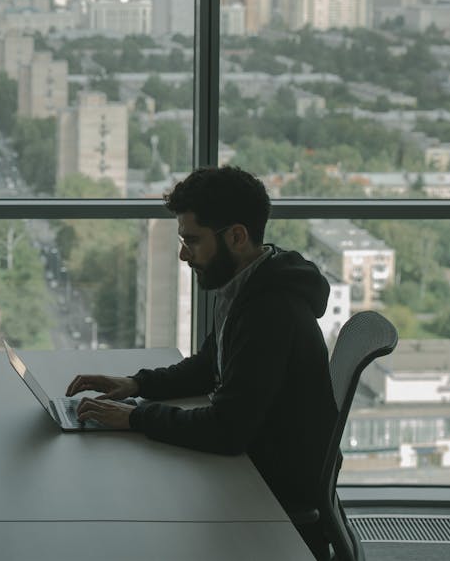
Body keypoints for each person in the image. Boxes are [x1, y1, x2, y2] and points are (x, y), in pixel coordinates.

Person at [65, 166, 336, 560]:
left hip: (267, 490)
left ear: (237, 236)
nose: (182, 254)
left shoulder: (270, 311)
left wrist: (135, 418)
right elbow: (211, 364)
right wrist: (136, 385)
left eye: (192, 240)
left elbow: (227, 430)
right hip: (251, 465)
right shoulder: (251, 285)